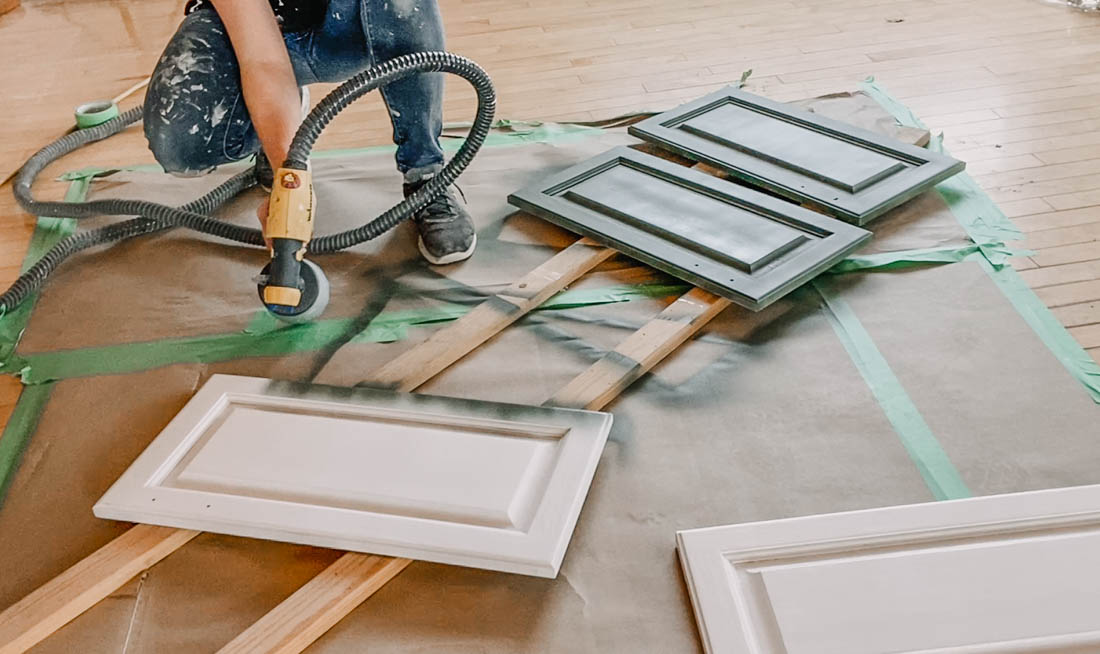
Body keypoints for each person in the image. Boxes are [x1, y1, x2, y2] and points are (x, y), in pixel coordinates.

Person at [143, 0, 476, 265]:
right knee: (179, 140)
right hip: (270, 32)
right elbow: (261, 59)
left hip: (353, 22)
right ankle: (278, 118)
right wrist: (289, 176)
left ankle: (426, 172)